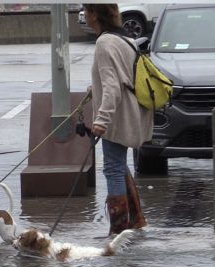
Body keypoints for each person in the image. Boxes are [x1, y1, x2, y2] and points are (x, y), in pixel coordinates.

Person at [83, 4, 153, 235]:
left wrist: (101, 120)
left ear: (94, 15)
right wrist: (96, 88)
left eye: (85, 10)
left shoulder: (104, 42)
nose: (83, 15)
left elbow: (113, 86)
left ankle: (119, 228)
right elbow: (121, 76)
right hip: (130, 110)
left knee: (113, 168)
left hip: (117, 116)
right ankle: (135, 221)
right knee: (120, 166)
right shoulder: (124, 38)